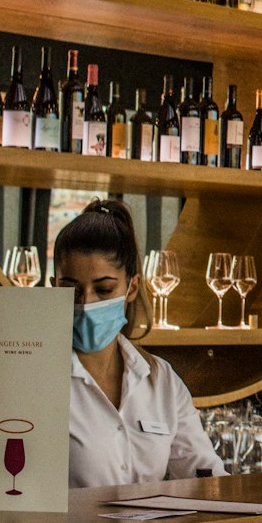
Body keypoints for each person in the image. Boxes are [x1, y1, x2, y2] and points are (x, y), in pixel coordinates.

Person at [57, 199, 225, 487]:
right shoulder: (32, 379)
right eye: (71, 289)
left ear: (132, 287)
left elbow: (205, 476)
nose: (86, 303)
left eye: (104, 289)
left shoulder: (161, 380)